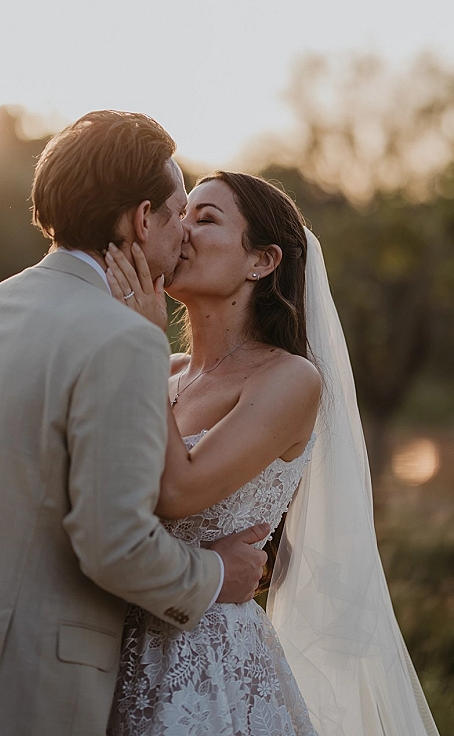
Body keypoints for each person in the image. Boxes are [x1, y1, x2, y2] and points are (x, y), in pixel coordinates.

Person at [0, 112, 269, 736]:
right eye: (177, 212)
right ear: (142, 220)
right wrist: (218, 575)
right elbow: (115, 547)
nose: (185, 236)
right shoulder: (126, 342)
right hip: (18, 696)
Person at [105, 171, 440, 736]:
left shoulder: (288, 379)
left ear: (262, 261)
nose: (182, 231)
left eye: (206, 219)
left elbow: (179, 491)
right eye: (181, 214)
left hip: (206, 668)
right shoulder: (161, 374)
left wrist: (140, 340)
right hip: (113, 641)